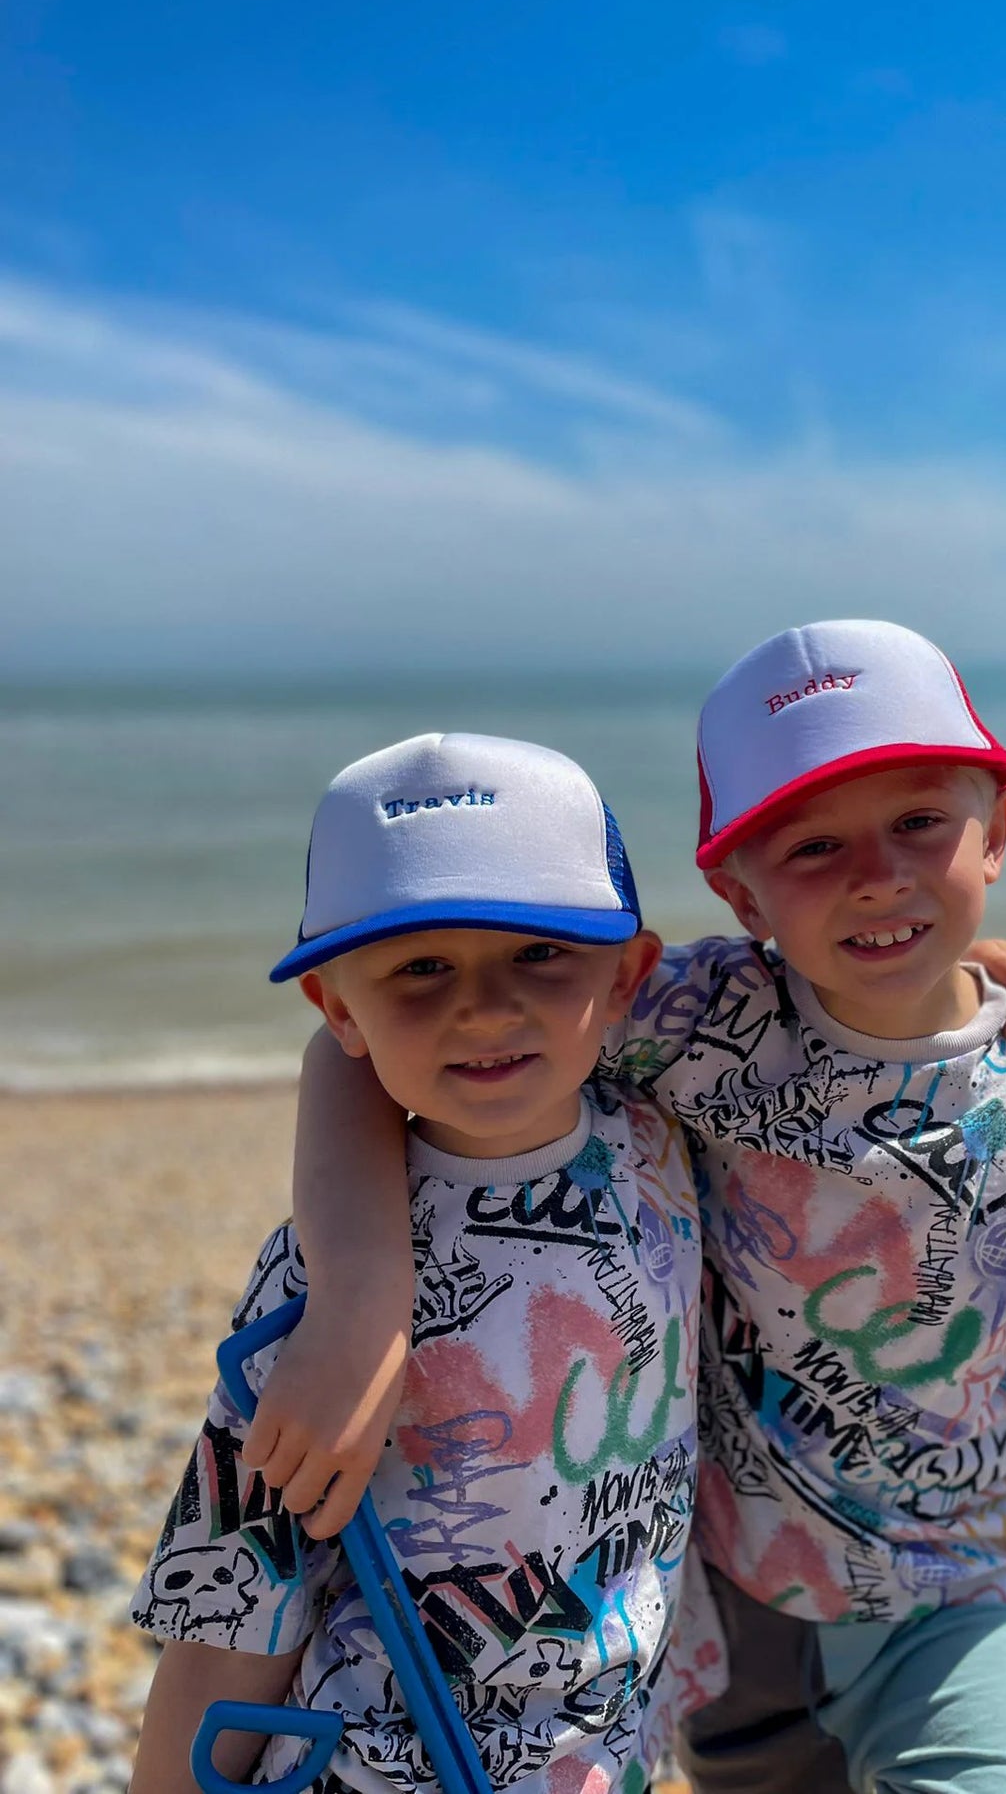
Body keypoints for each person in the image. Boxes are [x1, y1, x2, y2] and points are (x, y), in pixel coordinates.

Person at [258, 620, 1006, 1793]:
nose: (877, 874)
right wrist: (362, 1288)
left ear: (1000, 830)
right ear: (736, 890)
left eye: (920, 824)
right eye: (814, 846)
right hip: (725, 1601)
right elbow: (357, 1048)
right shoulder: (691, 1022)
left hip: (964, 1589)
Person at [130, 733, 719, 1794]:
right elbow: (232, 1611)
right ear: (337, 1006)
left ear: (628, 973)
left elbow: (827, 1012)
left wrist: (1000, 974)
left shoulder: (659, 1136)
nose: (484, 1006)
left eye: (538, 953)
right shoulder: (315, 1288)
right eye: (419, 967)